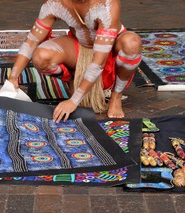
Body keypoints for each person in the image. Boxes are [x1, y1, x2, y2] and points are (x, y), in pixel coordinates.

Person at [8, 0, 142, 122]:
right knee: (41, 57)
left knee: (132, 44)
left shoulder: (107, 4)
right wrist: (13, 77)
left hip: (109, 51)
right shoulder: (56, 2)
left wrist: (73, 101)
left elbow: (99, 62)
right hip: (78, 46)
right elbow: (32, 40)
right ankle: (72, 79)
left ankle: (116, 95)